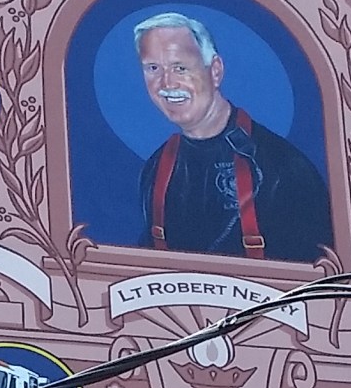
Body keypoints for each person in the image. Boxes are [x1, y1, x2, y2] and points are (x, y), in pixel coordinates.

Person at [134, 13, 334, 263]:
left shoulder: (282, 168)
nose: (167, 83)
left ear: (215, 71)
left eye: (180, 68)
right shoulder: (156, 169)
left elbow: (321, 277)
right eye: (153, 68)